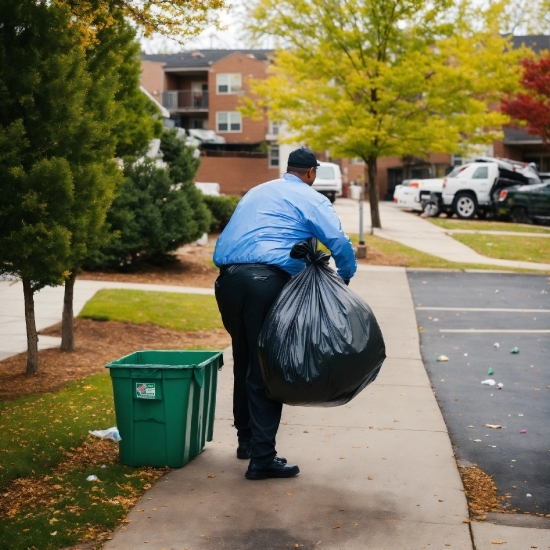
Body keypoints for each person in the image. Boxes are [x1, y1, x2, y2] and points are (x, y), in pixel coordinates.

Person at [213, 146, 357, 480]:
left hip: (228, 283)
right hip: (266, 282)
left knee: (246, 358)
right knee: (267, 369)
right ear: (310, 173)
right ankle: (262, 459)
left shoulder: (257, 192)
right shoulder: (311, 197)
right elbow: (337, 240)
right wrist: (345, 276)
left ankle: (246, 441)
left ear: (287, 168)